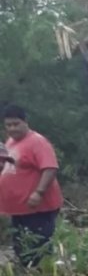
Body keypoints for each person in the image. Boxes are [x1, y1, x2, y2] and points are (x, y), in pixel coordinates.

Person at [0, 104, 64, 266]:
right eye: (8, 125)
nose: (12, 128)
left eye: (16, 124)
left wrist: (38, 192)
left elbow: (50, 168)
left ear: (25, 122)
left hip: (38, 208)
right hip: (19, 209)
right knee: (21, 247)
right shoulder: (10, 142)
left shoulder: (37, 142)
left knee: (39, 248)